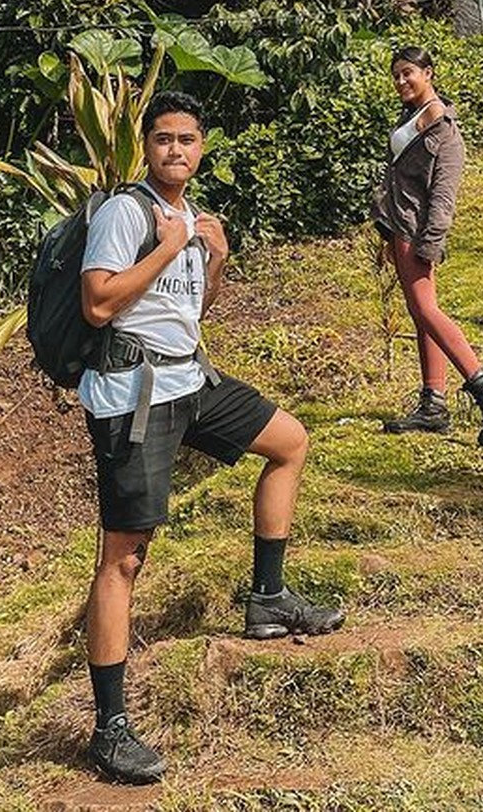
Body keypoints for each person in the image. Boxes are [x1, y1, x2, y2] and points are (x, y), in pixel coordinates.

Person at [79, 91, 345, 785]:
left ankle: (268, 598)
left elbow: (192, 311)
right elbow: (100, 302)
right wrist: (168, 247)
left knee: (289, 442)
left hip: (190, 381)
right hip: (133, 395)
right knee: (124, 558)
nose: (176, 150)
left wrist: (213, 257)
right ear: (146, 146)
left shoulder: (195, 219)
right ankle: (109, 728)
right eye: (164, 139)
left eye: (187, 139)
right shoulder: (124, 213)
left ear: (201, 147)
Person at [374, 45, 483, 444]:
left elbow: (443, 195)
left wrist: (429, 242)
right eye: (397, 75)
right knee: (421, 314)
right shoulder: (414, 117)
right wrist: (389, 232)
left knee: (425, 309)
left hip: (419, 230)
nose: (402, 81)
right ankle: (433, 403)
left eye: (409, 73)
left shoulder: (444, 129)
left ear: (429, 73)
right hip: (402, 226)